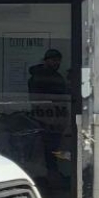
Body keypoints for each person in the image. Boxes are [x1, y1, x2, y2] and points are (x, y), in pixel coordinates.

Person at [27, 49, 68, 184]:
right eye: (54, 60)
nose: (57, 63)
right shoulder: (42, 76)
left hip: (53, 118)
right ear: (46, 60)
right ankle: (50, 175)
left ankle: (51, 174)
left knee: (51, 149)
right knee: (48, 149)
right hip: (46, 118)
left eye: (58, 60)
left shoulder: (52, 75)